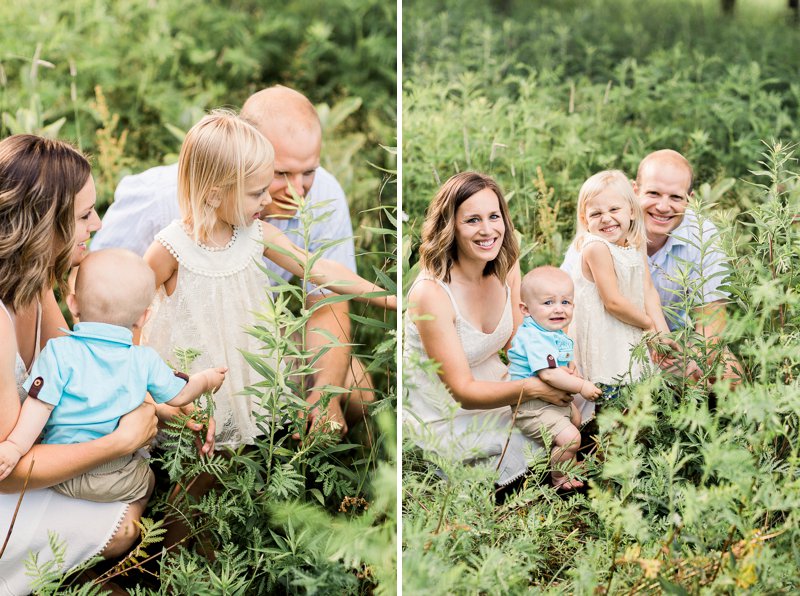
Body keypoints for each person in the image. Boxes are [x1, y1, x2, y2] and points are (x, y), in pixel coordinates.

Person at [91, 85, 370, 436]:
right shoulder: (159, 202)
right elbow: (94, 287)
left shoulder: (322, 193)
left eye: (309, 171)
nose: (299, 190)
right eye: (281, 174)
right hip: (179, 344)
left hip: (253, 334)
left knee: (359, 389)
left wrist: (324, 395)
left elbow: (325, 300)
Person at [141, 109, 394, 451]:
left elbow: (319, 269)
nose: (268, 200)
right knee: (196, 453)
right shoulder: (170, 247)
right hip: (190, 370)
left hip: (241, 366)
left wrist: (388, 299)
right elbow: (134, 305)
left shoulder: (256, 234)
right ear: (215, 194)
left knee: (234, 451)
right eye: (256, 192)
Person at [0, 135, 161, 593]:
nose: (98, 223)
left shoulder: (33, 284)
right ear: (43, 225)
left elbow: (82, 365)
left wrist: (154, 395)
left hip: (23, 466)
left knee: (141, 476)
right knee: (125, 523)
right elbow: (10, 474)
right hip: (5, 481)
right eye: (84, 215)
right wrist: (118, 440)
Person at [0, 249, 226, 504]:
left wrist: (15, 447)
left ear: (73, 304)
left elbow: (39, 405)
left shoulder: (58, 352)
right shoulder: (144, 359)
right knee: (147, 480)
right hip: (117, 477)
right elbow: (181, 395)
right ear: (143, 317)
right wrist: (207, 379)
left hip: (60, 476)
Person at [404, 171, 573, 487]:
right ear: (450, 226)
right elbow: (463, 393)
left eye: (494, 216)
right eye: (472, 221)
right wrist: (534, 389)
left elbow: (519, 340)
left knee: (579, 400)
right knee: (526, 444)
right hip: (449, 411)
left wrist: (551, 365)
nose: (487, 230)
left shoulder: (505, 263)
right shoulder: (432, 292)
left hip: (500, 383)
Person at [562, 150, 737, 381]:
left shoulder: (701, 235)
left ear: (690, 198)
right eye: (653, 193)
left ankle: (704, 411)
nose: (663, 207)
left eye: (675, 197)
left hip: (671, 337)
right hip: (605, 339)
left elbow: (712, 316)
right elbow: (564, 305)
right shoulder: (598, 237)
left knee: (730, 374)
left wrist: (690, 358)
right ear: (635, 191)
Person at [565, 170, 671, 421]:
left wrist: (662, 333)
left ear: (631, 211)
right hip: (606, 336)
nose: (606, 219)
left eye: (614, 209)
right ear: (585, 218)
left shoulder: (635, 243)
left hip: (628, 331)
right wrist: (648, 326)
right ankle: (604, 449)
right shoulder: (596, 248)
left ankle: (630, 449)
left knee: (637, 400)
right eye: (596, 214)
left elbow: (647, 290)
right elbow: (612, 302)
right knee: (612, 400)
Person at [507, 266, 601, 491]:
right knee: (572, 437)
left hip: (549, 402)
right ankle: (558, 477)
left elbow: (561, 362)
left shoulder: (550, 331)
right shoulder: (534, 337)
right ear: (526, 309)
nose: (559, 309)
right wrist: (581, 385)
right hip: (531, 407)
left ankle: (566, 459)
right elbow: (548, 373)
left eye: (565, 302)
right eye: (548, 303)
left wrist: (570, 368)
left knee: (575, 420)